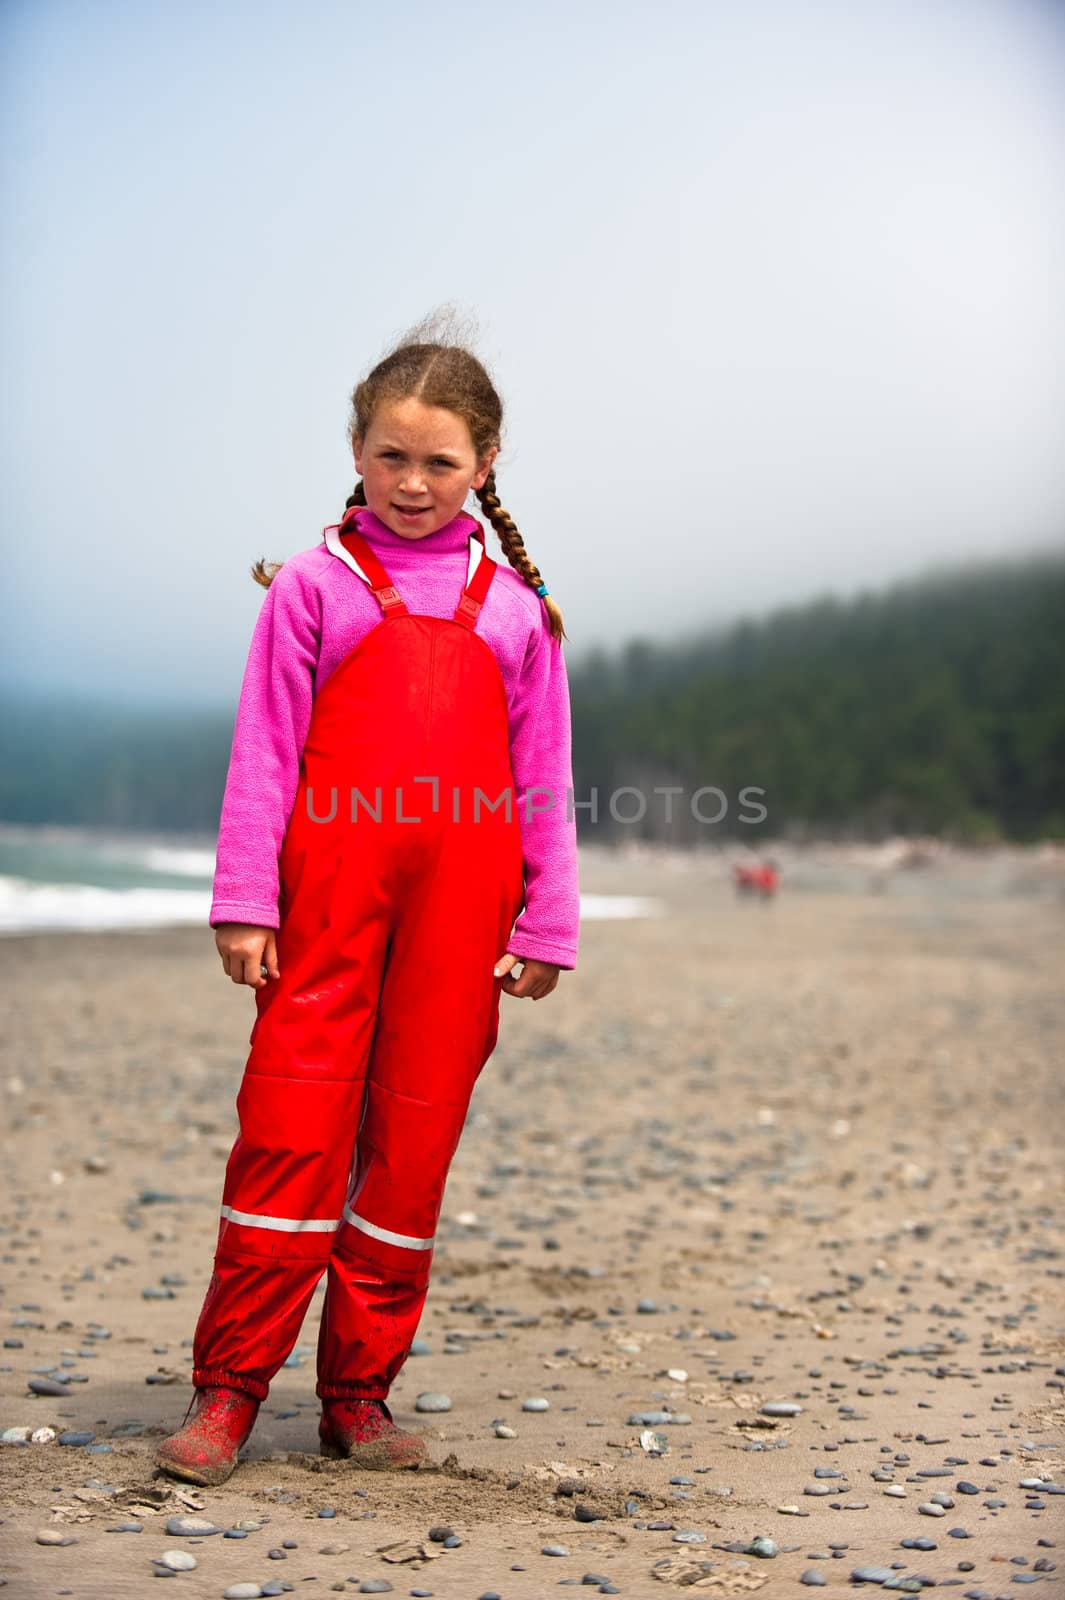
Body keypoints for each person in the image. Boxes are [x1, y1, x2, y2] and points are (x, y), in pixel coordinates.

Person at [155, 324, 580, 1485]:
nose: (412, 483)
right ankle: (229, 1390)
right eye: (392, 456)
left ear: (486, 464)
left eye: (440, 463)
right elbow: (264, 753)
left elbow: (544, 777)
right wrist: (246, 902)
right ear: (356, 448)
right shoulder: (313, 585)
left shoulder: (516, 612)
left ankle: (357, 1395)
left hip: (466, 909)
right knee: (290, 1128)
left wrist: (548, 922)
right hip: (326, 897)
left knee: (410, 1148)